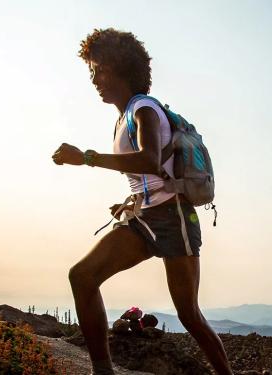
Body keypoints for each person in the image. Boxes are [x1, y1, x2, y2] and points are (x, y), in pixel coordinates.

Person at [52, 28, 233, 375]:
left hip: (174, 218)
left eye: (99, 69)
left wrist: (86, 158)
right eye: (92, 70)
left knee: (188, 314)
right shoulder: (122, 118)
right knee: (83, 276)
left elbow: (150, 159)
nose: (94, 79)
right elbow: (149, 174)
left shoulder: (144, 109)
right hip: (145, 217)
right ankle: (102, 371)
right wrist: (131, 199)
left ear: (119, 67)